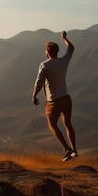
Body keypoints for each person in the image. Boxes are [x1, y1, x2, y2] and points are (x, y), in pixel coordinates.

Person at [32, 31, 78, 162]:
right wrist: (65, 38)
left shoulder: (44, 65)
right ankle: (74, 149)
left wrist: (34, 95)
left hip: (53, 101)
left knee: (52, 124)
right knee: (68, 123)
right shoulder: (64, 61)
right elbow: (71, 48)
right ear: (57, 51)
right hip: (66, 98)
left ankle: (66, 149)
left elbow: (39, 81)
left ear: (47, 52)